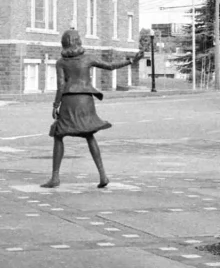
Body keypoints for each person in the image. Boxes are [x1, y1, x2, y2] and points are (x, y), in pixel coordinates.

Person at [41, 29, 143, 189]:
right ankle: (103, 175)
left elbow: (61, 85)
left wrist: (56, 105)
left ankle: (55, 177)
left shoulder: (61, 62)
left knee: (58, 134)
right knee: (89, 134)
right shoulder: (87, 58)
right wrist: (131, 61)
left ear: (64, 43)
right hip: (86, 100)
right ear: (78, 41)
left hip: (69, 100)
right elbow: (110, 66)